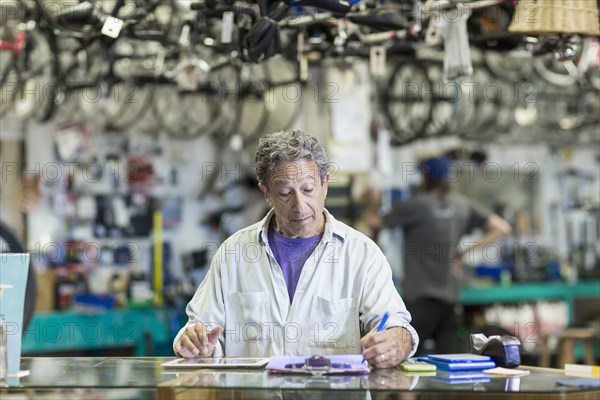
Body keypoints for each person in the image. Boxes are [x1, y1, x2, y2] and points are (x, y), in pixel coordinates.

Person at [173, 129, 418, 368]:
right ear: (266, 193)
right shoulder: (233, 254)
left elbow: (395, 324)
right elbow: (201, 329)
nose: (299, 206)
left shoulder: (362, 254)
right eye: (285, 193)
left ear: (325, 184)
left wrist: (398, 340)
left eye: (308, 190)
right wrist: (197, 344)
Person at [365, 156, 512, 355]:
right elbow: (502, 228)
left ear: (425, 176)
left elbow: (373, 222)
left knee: (407, 361)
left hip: (419, 303)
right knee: (450, 363)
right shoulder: (462, 205)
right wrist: (464, 252)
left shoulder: (416, 205)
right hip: (450, 303)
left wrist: (372, 199)